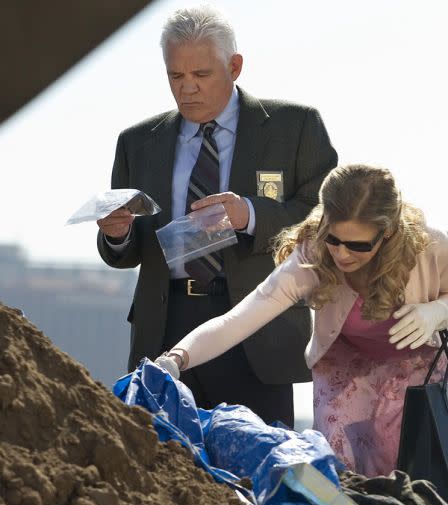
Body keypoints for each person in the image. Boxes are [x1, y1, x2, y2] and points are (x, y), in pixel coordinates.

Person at [95, 5, 337, 427]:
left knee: (261, 469)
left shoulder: (294, 127)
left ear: (235, 66)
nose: (187, 88)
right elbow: (125, 251)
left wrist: (250, 214)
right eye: (176, 76)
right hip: (165, 327)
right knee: (166, 470)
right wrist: (117, 235)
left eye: (201, 75)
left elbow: (324, 219)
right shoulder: (137, 143)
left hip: (257, 326)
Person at [155, 164, 448, 476]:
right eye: (334, 239)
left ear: (387, 232)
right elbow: (238, 320)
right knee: (342, 482)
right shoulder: (313, 256)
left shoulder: (432, 245)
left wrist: (438, 312)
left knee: (433, 485)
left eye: (358, 245)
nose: (343, 254)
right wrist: (175, 359)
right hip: (348, 378)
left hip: (423, 374)